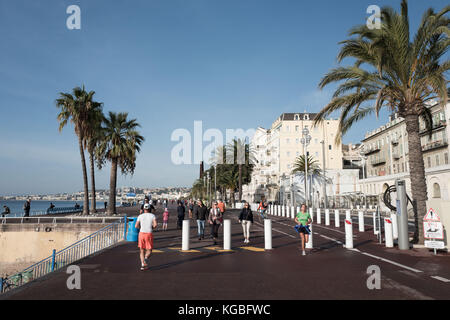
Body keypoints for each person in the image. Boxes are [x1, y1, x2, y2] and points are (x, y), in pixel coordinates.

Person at [135, 204, 157, 271]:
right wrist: (152, 227)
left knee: (141, 250)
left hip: (141, 234)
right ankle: (145, 260)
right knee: (149, 250)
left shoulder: (140, 216)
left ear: (144, 209)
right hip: (148, 234)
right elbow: (155, 225)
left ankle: (142, 265)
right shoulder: (152, 216)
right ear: (150, 209)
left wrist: (141, 228)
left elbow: (136, 226)